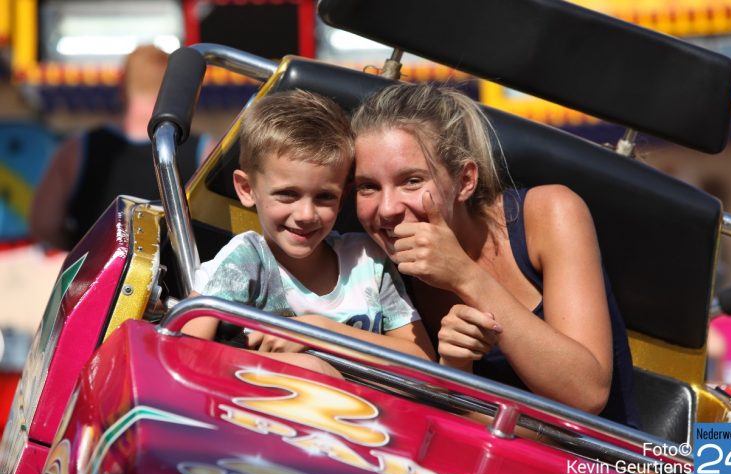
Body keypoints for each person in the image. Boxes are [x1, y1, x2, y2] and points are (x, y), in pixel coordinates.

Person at [350, 83, 639, 427]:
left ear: (465, 180)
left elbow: (586, 394)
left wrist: (464, 275)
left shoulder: (551, 212)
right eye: (368, 186)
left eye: (412, 181)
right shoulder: (367, 266)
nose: (386, 209)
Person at [182, 89, 434, 372]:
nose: (305, 215)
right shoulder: (246, 262)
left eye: (324, 197)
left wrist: (319, 332)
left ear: (342, 196)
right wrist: (305, 367)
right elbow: (183, 352)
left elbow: (422, 362)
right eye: (288, 194)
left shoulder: (369, 260)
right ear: (246, 189)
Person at [30, 45, 213, 250]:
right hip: (175, 279)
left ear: (121, 86)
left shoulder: (76, 149)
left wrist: (80, 250)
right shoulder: (205, 152)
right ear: (175, 90)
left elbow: (44, 223)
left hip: (99, 276)